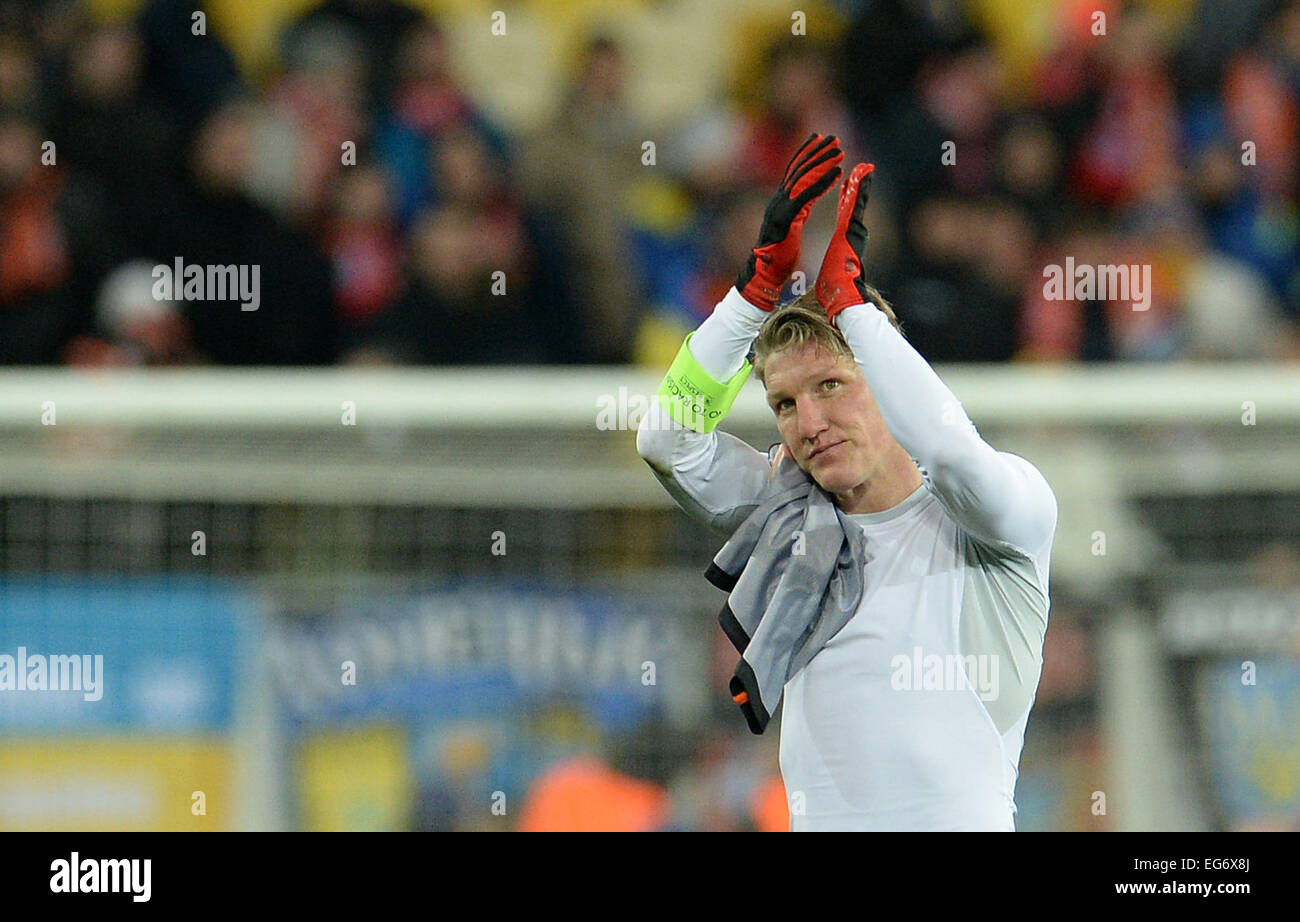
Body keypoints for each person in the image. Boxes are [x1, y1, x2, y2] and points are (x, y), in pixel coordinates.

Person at [636, 134, 1057, 831]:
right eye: (786, 403)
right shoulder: (792, 514)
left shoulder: (1004, 517)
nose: (810, 421)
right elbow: (666, 442)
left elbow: (951, 454)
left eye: (832, 385)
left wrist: (852, 310)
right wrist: (753, 296)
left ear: (885, 376)